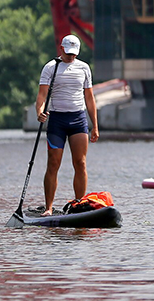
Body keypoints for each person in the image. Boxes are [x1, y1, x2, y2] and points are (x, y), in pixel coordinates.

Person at [35, 34, 99, 216]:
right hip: (57, 121)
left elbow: (89, 97)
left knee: (80, 163)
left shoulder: (84, 68)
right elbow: (41, 96)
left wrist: (95, 125)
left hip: (78, 119)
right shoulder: (50, 68)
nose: (71, 56)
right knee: (53, 164)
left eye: (74, 53)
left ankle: (79, 205)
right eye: (68, 53)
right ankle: (48, 208)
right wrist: (39, 112)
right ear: (61, 49)